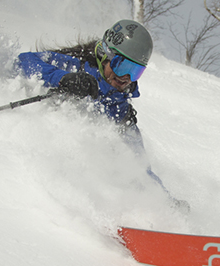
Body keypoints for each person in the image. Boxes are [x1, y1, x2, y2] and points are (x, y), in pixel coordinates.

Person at [14, 19, 188, 212]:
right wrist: (63, 79)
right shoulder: (76, 68)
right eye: (122, 67)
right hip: (40, 163)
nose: (126, 78)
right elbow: (24, 60)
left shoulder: (121, 112)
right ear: (104, 55)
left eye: (135, 71)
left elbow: (139, 168)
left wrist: (166, 202)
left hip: (88, 183)